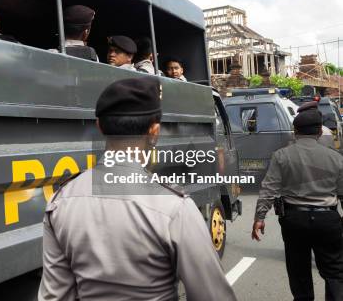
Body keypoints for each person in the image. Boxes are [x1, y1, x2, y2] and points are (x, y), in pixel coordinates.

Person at [39, 77, 236, 301]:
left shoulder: (61, 201)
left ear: (100, 126)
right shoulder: (174, 208)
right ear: (154, 131)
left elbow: (54, 296)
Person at [252, 101, 343, 301]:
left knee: (299, 274)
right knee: (335, 274)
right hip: (327, 221)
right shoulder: (336, 158)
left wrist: (259, 217)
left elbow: (269, 187)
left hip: (294, 221)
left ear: (295, 131)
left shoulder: (281, 156)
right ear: (320, 131)